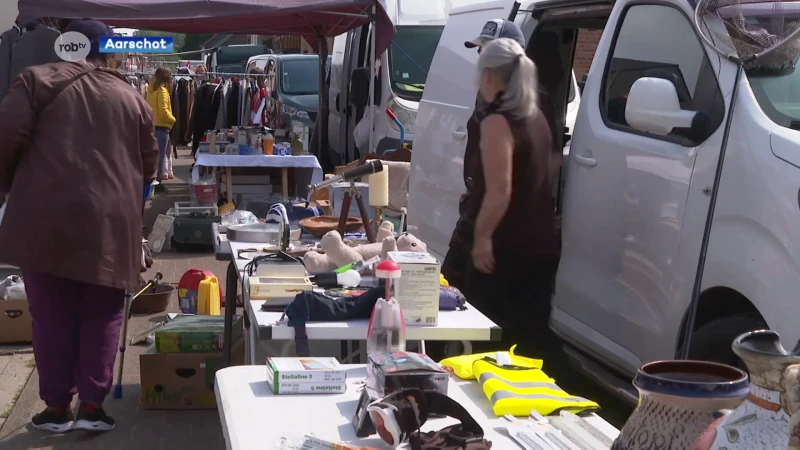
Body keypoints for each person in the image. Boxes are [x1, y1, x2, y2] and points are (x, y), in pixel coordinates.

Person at [0, 19, 159, 432]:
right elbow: (149, 164)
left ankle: (55, 409)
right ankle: (91, 407)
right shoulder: (130, 96)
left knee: (50, 314)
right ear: (107, 50)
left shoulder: (34, 81)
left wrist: (6, 189)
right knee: (102, 313)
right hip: (109, 224)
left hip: (43, 220)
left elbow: (5, 137)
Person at [461, 38, 562, 360]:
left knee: (489, 344)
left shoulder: (496, 122)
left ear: (489, 75)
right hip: (540, 246)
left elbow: (499, 191)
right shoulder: (537, 118)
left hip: (505, 250)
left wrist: (482, 237)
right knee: (529, 346)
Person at [441, 20, 529, 291]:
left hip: (493, 218)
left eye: (487, 51)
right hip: (475, 206)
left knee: (455, 290)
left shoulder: (517, 104)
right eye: (480, 51)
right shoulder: (488, 95)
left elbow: (505, 183)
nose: (481, 58)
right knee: (450, 288)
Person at [146, 67, 177, 181]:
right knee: (161, 155)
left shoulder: (151, 90)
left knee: (155, 155)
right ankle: (157, 181)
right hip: (162, 126)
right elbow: (163, 112)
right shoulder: (162, 91)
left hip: (153, 125)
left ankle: (154, 180)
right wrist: (173, 120)